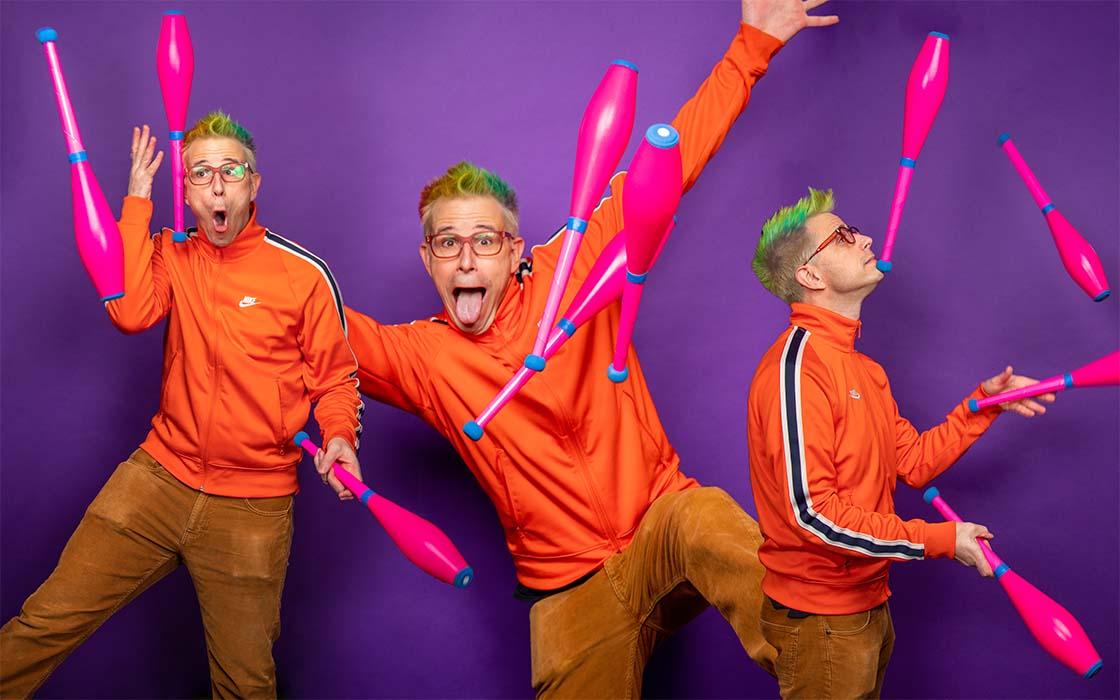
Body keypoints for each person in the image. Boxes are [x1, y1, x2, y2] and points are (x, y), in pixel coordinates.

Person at [340, 1, 839, 696]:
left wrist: (752, 44)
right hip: (568, 587)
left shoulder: (572, 266)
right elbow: (305, 325)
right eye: (446, 243)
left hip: (660, 525)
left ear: (513, 250)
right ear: (427, 259)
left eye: (484, 240)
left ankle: (828, 673)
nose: (464, 259)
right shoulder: (417, 358)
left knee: (710, 524)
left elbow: (673, 163)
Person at [0, 113, 364, 698]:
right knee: (43, 624)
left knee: (245, 685)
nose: (217, 186)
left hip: (252, 508)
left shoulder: (304, 275)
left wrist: (341, 436)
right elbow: (129, 312)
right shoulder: (171, 255)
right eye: (201, 173)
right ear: (187, 190)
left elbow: (337, 380)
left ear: (254, 184)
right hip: (155, 481)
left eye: (230, 171)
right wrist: (138, 201)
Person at [746, 187, 1054, 698]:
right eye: (844, 237)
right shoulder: (798, 369)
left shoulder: (865, 370)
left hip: (866, 606)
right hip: (821, 621)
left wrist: (982, 404)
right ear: (811, 276)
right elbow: (812, 515)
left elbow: (912, 462)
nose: (865, 237)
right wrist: (940, 540)